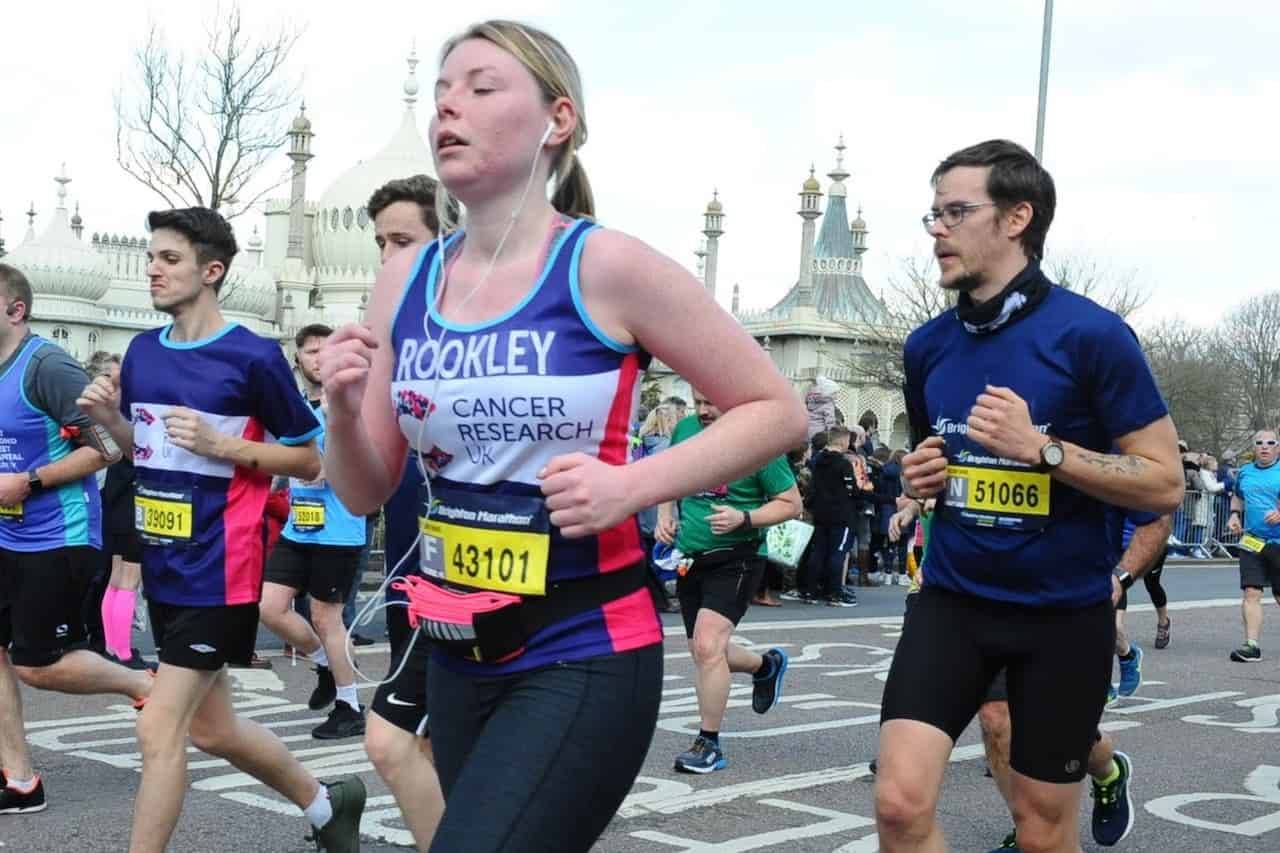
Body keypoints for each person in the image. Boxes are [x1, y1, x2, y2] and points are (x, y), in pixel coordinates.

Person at [316, 20, 805, 852]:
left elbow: (777, 410)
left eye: (479, 87)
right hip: (459, 649)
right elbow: (363, 488)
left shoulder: (604, 265)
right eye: (441, 93)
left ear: (558, 120)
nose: (448, 108)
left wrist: (633, 484)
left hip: (583, 644)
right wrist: (340, 401)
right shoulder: (405, 277)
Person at [878, 139, 1182, 853]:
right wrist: (921, 478)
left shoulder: (1093, 336)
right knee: (897, 805)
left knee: (1042, 830)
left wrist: (1043, 449)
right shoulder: (926, 347)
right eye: (932, 214)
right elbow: (937, 462)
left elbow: (1165, 481)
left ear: (1018, 218)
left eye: (956, 212)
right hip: (954, 603)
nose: (938, 231)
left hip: (1061, 616)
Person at [76, 209, 365, 852]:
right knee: (214, 730)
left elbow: (311, 459)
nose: (152, 268)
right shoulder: (143, 351)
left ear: (212, 271)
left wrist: (222, 445)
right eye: (152, 256)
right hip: (166, 566)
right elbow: (140, 452)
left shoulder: (254, 357)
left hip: (223, 570)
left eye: (169, 259)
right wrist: (108, 420)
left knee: (160, 730)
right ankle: (326, 806)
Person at [0, 264, 154, 816]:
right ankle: (20, 781)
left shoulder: (47, 367)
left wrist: (31, 481)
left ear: (15, 310)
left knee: (36, 663)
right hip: (5, 534)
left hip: (57, 535)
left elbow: (107, 449)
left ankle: (148, 685)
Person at [978, 510, 1170, 851]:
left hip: (1069, 599)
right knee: (996, 718)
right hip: (992, 596)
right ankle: (1026, 829)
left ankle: (1109, 771)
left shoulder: (1096, 456)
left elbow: (1157, 512)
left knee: (1056, 731)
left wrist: (1121, 577)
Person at [358, 173, 447, 849]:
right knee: (402, 742)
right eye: (381, 241)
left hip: (492, 585)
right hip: (407, 578)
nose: (390, 256)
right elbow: (359, 484)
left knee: (411, 742)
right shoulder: (390, 344)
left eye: (404, 240)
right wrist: (340, 402)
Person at [656, 389, 801, 772]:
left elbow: (791, 503)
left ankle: (710, 744)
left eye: (711, 402)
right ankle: (764, 666)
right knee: (705, 650)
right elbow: (668, 475)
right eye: (698, 401)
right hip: (692, 555)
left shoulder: (760, 439)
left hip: (738, 557)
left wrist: (745, 518)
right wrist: (664, 515)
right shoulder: (686, 429)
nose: (703, 410)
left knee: (707, 646)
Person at [259, 323, 368, 740]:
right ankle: (325, 664)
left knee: (326, 616)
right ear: (298, 360)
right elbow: (286, 463)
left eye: (325, 350)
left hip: (339, 529)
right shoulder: (296, 408)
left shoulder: (349, 403)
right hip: (299, 526)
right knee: (270, 608)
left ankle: (349, 705)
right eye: (309, 352)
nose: (318, 358)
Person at [1225, 429, 1280, 662]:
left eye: (1270, 442)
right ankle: (1251, 645)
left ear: (1278, 447)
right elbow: (1237, 496)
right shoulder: (1245, 472)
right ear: (1254, 448)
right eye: (1259, 443)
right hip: (1252, 541)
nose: (1265, 446)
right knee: (1251, 591)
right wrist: (1235, 515)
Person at [803, 425, 859, 606]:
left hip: (820, 512)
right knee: (838, 553)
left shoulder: (816, 461)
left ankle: (810, 591)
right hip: (841, 514)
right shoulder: (844, 464)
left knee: (818, 552)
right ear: (844, 441)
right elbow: (852, 490)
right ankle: (834, 592)